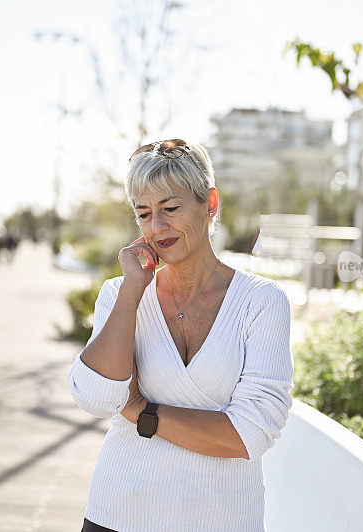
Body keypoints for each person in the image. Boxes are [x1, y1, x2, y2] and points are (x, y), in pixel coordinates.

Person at [68, 139, 295, 531]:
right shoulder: (120, 294)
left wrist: (142, 410)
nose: (157, 227)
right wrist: (132, 290)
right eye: (143, 214)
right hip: (117, 514)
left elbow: (249, 435)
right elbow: (97, 398)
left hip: (221, 521)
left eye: (170, 209)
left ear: (209, 204)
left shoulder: (261, 303)